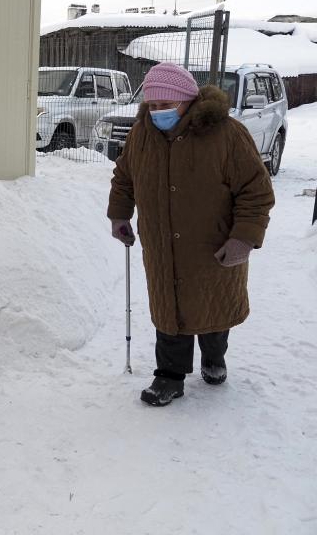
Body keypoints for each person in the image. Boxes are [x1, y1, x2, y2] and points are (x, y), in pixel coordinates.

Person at [107, 63, 275, 406]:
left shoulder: (227, 134)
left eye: (167, 105)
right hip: (161, 242)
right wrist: (120, 215)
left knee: (212, 305)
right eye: (152, 106)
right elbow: (124, 178)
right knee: (169, 308)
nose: (158, 112)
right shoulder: (142, 135)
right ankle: (169, 375)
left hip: (213, 242)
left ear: (189, 101)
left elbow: (255, 190)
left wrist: (243, 237)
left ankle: (214, 358)